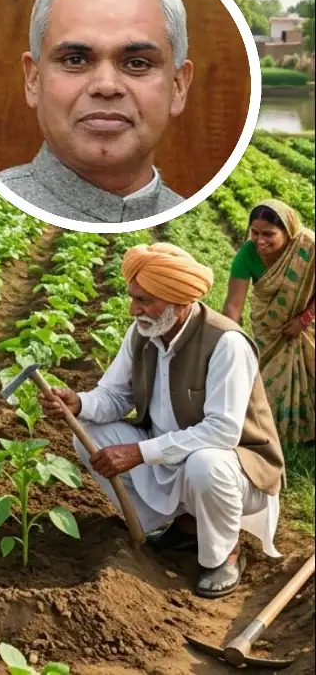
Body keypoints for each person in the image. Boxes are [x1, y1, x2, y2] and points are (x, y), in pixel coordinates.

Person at [40, 243, 284, 598]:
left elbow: (222, 432)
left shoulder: (226, 343)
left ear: (179, 301)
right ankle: (183, 526)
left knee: (205, 464)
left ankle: (225, 553)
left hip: (238, 470)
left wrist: (139, 452)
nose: (133, 310)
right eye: (133, 298)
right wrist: (78, 403)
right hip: (168, 456)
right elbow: (114, 396)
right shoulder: (142, 333)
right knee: (89, 435)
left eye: (145, 301)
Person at [0, 0, 194, 224]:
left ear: (178, 86)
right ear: (33, 80)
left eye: (137, 64)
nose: (106, 86)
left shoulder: (190, 218)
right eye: (75, 60)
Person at [222, 200, 315, 444]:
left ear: (288, 231)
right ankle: (280, 432)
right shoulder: (247, 254)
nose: (260, 240)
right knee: (268, 384)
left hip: (308, 322)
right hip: (269, 327)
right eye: (255, 232)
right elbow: (233, 304)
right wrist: (230, 338)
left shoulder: (308, 247)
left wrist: (303, 320)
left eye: (269, 234)